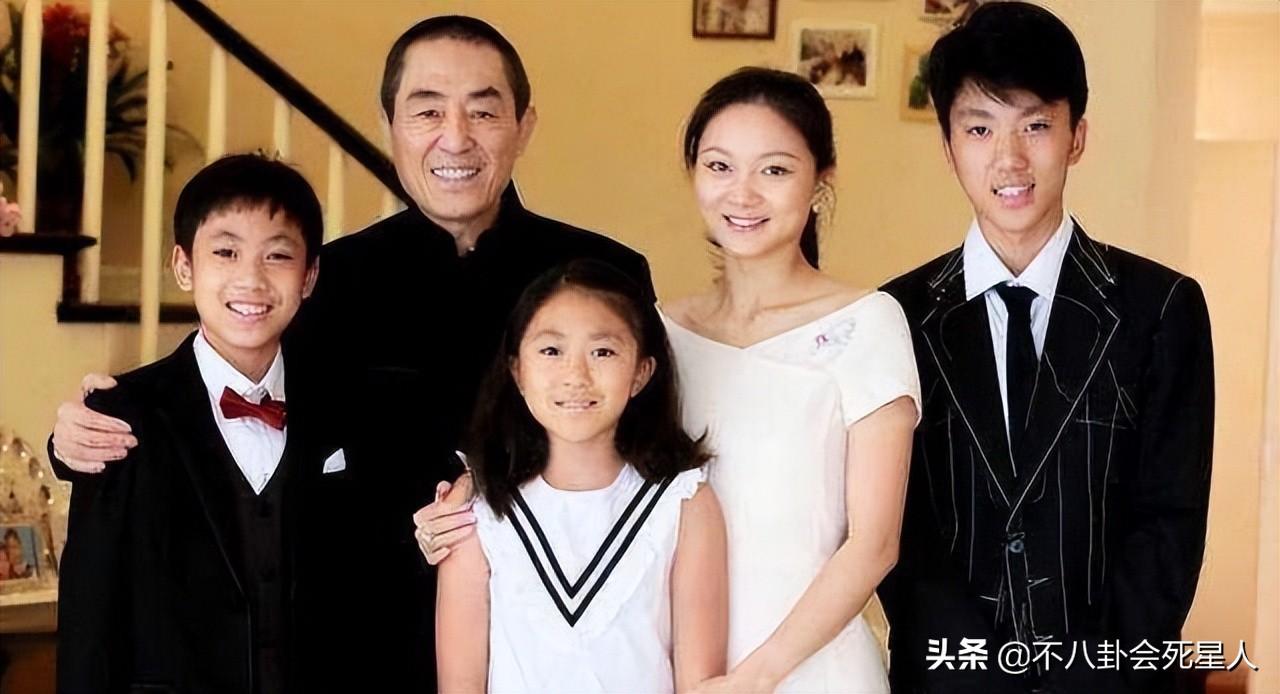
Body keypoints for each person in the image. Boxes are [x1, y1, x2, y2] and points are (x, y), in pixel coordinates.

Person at [47, 16, 653, 691]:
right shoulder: (330, 279)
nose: (456, 137)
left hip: (565, 640)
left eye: (483, 111)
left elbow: (651, 451)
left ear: (524, 125)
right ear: (389, 124)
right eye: (427, 110)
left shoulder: (606, 276)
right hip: (365, 655)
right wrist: (78, 435)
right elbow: (227, 413)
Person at [422, 67, 922, 692]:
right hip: (670, 670)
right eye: (719, 167)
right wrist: (473, 493)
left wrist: (752, 678)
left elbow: (874, 544)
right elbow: (578, 444)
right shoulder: (662, 331)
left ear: (821, 180)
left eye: (774, 170)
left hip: (808, 670)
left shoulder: (868, 322)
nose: (742, 194)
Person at [877, 3, 1215, 692]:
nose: (1009, 158)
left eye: (1035, 125)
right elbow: (899, 533)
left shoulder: (1160, 308)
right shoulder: (896, 317)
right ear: (948, 147)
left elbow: (1168, 527)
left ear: (1076, 136)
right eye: (980, 129)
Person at [56, 154, 325, 694]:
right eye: (226, 252)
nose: (250, 279)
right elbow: (90, 616)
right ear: (184, 267)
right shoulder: (123, 413)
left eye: (277, 255)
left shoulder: (341, 408)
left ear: (309, 276)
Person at [436, 259, 727, 692]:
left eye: (603, 352)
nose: (575, 376)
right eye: (551, 351)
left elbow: (699, 683)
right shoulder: (478, 512)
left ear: (642, 372)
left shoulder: (682, 501)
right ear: (517, 371)